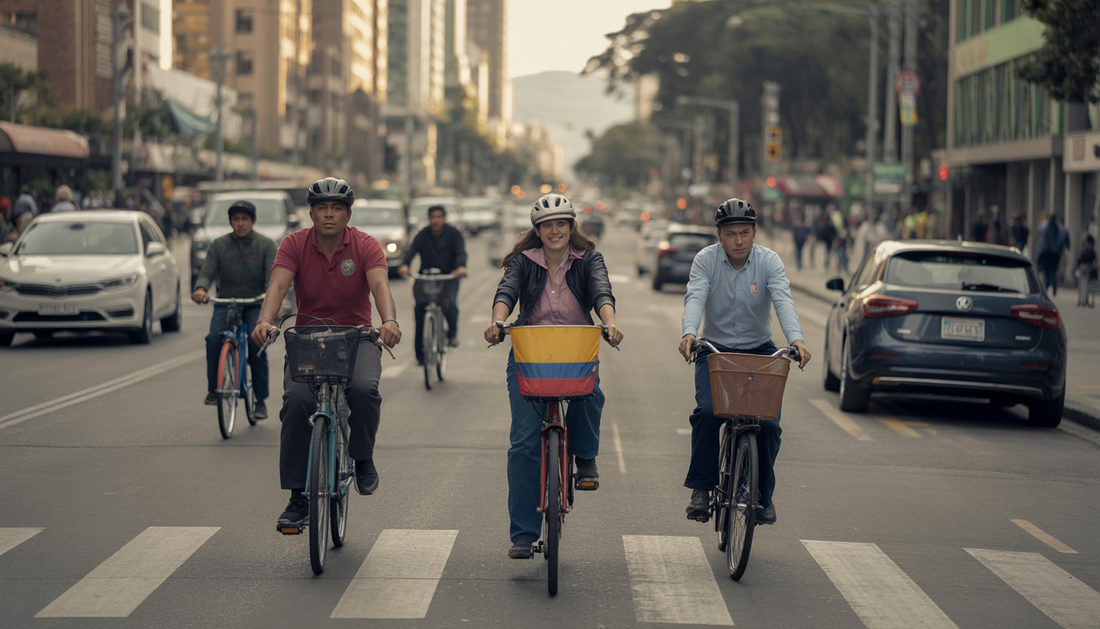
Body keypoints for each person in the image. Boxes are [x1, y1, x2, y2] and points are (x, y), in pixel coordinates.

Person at [251, 177, 401, 531]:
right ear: (311, 213)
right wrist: (265, 321)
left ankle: (362, 456)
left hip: (357, 337)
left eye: (336, 208)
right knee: (297, 402)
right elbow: (278, 285)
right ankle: (297, 497)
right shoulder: (293, 244)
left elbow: (380, 286)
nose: (329, 214)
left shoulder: (366, 245)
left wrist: (389, 321)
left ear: (348, 214)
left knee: (364, 390)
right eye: (322, 208)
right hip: (308, 338)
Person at [483, 193, 623, 559]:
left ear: (572, 227)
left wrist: (609, 324)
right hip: (529, 353)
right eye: (547, 225)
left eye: (562, 224)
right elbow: (506, 292)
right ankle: (523, 535)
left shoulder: (589, 259)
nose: (555, 231)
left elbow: (602, 291)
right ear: (537, 230)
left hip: (575, 349)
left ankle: (585, 456)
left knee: (592, 394)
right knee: (524, 442)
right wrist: (497, 322)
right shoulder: (523, 261)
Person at [678, 198, 810, 526]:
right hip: (715, 351)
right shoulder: (705, 260)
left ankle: (762, 497)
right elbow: (696, 296)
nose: (738, 241)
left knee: (769, 425)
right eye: (730, 234)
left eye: (744, 233)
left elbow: (783, 299)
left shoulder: (769, 261)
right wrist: (690, 333)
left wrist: (796, 340)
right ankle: (702, 488)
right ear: (719, 236)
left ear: (754, 232)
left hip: (760, 353)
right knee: (707, 412)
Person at [191, 200, 278, 417]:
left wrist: (270, 296)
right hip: (226, 303)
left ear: (253, 220)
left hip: (256, 303)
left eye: (244, 219)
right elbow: (207, 271)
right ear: (230, 222)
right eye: (236, 219)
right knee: (214, 339)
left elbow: (273, 278)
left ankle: (260, 399)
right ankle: (214, 390)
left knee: (256, 342)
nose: (240, 223)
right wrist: (201, 288)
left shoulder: (266, 245)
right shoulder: (219, 245)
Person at [397, 204, 468, 361]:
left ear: (444, 218)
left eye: (439, 217)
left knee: (450, 303)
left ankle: (452, 334)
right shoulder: (422, 234)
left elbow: (461, 252)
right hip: (426, 277)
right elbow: (411, 251)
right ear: (429, 219)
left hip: (448, 277)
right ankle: (420, 353)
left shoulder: (454, 233)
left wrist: (461, 267)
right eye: (433, 217)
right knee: (420, 309)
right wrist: (405, 265)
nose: (436, 220)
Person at [1037, 213, 1067, 295]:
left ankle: (1047, 288)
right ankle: (1053, 288)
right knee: (1053, 271)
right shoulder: (1058, 228)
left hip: (1047, 252)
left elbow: (1042, 242)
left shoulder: (1045, 227)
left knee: (1046, 271)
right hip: (1055, 253)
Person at [1075, 234, 1096, 308]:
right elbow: (1093, 257)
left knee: (1081, 284)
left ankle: (1081, 300)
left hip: (1082, 266)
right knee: (1086, 284)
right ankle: (1084, 300)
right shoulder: (1091, 250)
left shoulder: (1082, 250)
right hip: (1088, 266)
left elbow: (1079, 259)